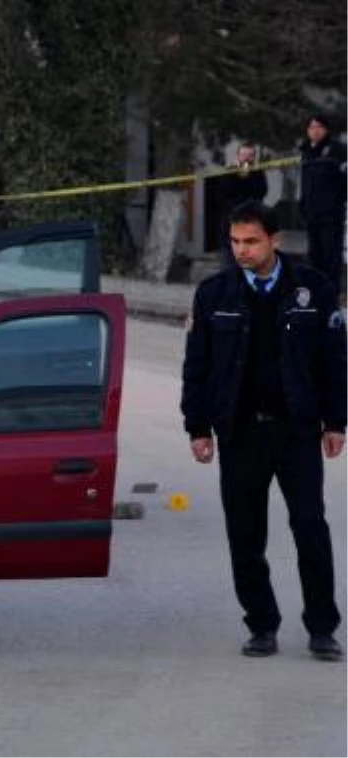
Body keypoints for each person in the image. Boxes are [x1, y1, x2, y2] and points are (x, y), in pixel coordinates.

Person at [181, 200, 346, 661]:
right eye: (235, 242)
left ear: (274, 240)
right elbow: (196, 367)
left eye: (251, 241)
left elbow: (335, 362)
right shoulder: (214, 294)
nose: (242, 250)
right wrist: (197, 427)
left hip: (296, 432)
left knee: (310, 527)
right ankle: (261, 625)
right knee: (245, 533)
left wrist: (336, 422)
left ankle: (321, 629)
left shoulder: (313, 289)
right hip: (239, 433)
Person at [299, 114, 348, 298]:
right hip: (311, 214)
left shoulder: (337, 150)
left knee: (331, 258)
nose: (315, 130)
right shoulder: (306, 150)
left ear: (326, 129)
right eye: (311, 127)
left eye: (319, 126)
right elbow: (304, 182)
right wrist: (302, 204)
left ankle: (331, 296)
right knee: (314, 258)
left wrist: (336, 200)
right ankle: (315, 295)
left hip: (331, 215)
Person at [218, 142, 268, 268]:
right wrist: (235, 173)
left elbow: (261, 192)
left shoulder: (258, 173)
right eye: (243, 155)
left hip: (251, 221)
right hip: (231, 221)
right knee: (229, 257)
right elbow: (225, 191)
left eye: (250, 155)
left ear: (253, 158)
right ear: (237, 156)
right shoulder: (230, 172)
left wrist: (250, 175)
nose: (246, 158)